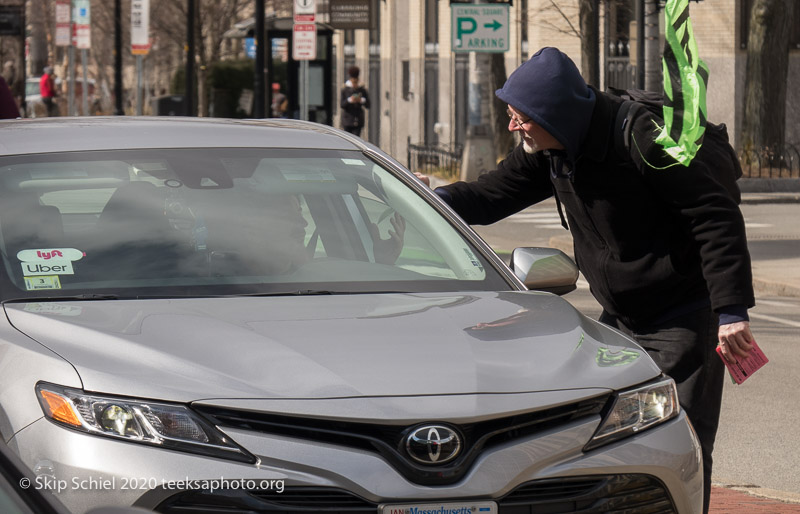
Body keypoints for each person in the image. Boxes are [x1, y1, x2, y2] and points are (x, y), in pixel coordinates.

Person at [418, 47, 755, 514]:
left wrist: (732, 311)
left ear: (551, 113)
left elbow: (713, 215)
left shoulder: (640, 137)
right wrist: (424, 198)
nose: (514, 126)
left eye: (521, 118)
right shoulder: (552, 147)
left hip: (682, 316)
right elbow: (492, 195)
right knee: (612, 443)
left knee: (682, 442)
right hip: (620, 319)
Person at [340, 66, 370, 137]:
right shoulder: (345, 89)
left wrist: (361, 100)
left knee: (356, 138)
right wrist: (350, 100)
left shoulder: (362, 89)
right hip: (347, 120)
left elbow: (368, 105)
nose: (354, 84)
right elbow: (342, 104)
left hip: (358, 120)